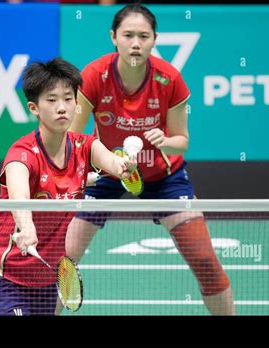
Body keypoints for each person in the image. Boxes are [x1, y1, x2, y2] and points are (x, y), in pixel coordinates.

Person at [65, 3, 235, 315]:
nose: (135, 43)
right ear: (113, 37)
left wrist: (165, 142)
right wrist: (85, 172)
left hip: (164, 178)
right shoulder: (93, 76)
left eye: (143, 36)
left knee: (204, 260)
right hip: (107, 172)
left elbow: (182, 142)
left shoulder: (170, 79)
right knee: (64, 259)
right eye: (128, 35)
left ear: (154, 39)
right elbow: (73, 141)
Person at [0, 57, 136, 316]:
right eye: (52, 100)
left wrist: (125, 166)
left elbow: (114, 164)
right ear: (34, 107)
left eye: (68, 98)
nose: (62, 107)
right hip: (2, 276)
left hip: (46, 279)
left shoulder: (85, 146)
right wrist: (26, 226)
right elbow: (18, 196)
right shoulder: (23, 154)